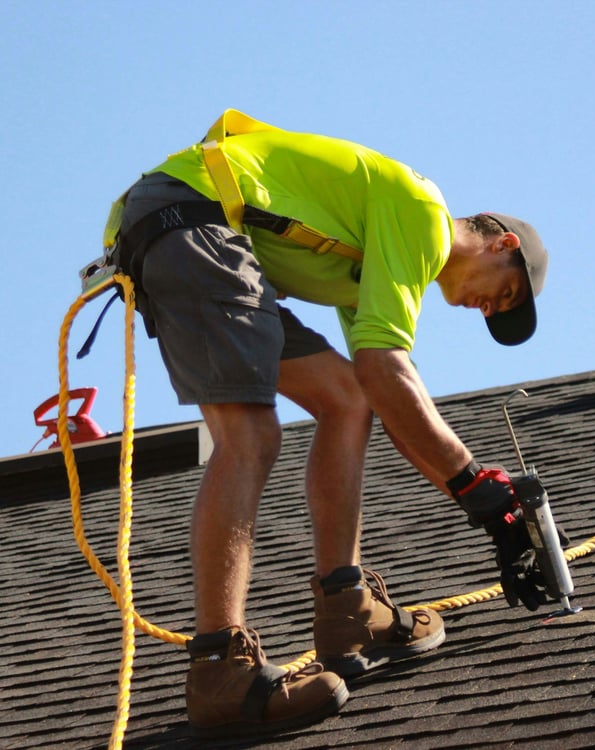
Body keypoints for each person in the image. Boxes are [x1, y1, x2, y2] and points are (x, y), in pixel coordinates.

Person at [110, 110, 550, 738]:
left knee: (347, 399)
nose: (487, 309)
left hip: (196, 233)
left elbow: (382, 390)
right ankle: (219, 671)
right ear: (502, 243)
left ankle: (348, 610)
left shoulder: (374, 261)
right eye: (504, 294)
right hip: (191, 222)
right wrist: (483, 492)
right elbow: (387, 368)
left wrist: (479, 498)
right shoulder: (421, 211)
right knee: (249, 437)